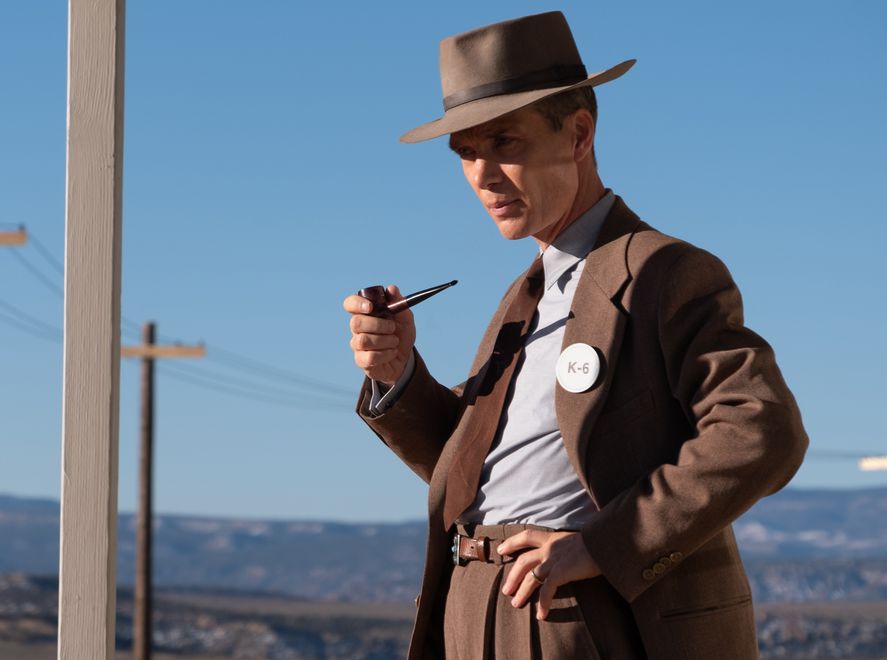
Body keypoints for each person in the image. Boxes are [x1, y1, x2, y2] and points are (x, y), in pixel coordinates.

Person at [342, 12, 808, 660]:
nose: (482, 174)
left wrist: (606, 544)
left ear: (580, 133)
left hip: (577, 614)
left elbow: (762, 427)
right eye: (466, 152)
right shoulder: (523, 298)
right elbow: (470, 471)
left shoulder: (660, 271)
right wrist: (399, 378)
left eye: (505, 142)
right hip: (474, 606)